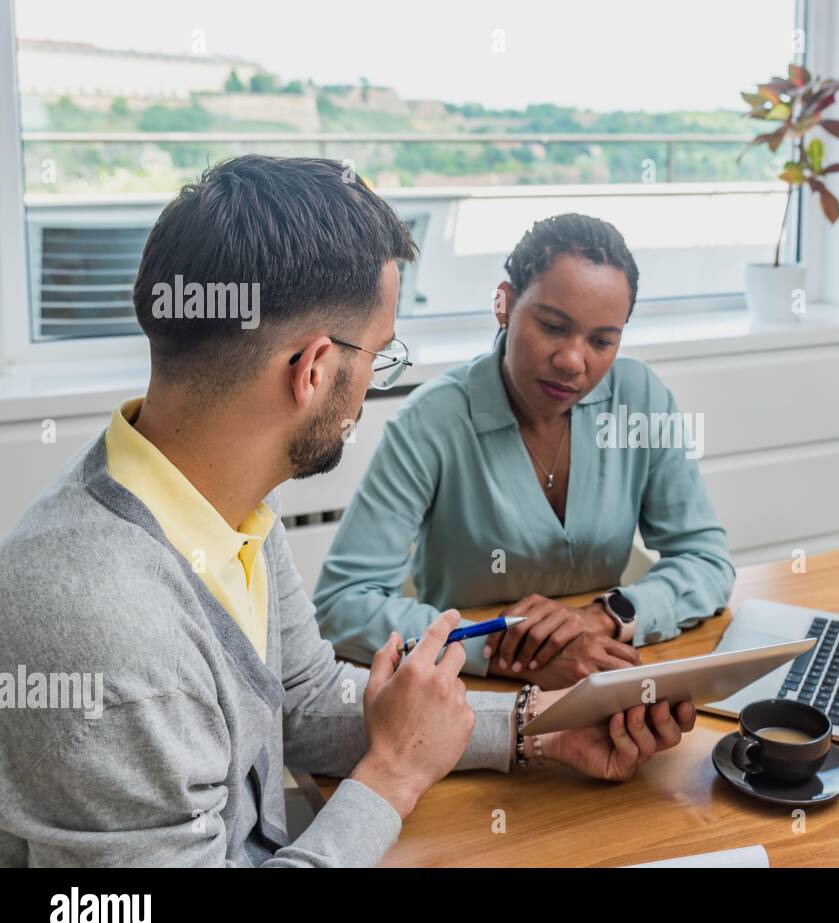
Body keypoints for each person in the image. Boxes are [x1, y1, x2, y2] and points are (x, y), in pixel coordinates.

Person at [0, 157, 695, 867]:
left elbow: (302, 700)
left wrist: (535, 728)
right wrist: (392, 775)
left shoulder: (222, 502)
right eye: (380, 355)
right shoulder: (100, 624)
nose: (373, 384)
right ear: (315, 370)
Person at [313, 213, 736, 690]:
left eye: (601, 340)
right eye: (553, 327)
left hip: (602, 676)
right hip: (467, 692)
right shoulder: (429, 422)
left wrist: (603, 616)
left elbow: (706, 559)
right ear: (506, 305)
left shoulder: (638, 398)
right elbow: (342, 605)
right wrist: (507, 653)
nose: (574, 360)